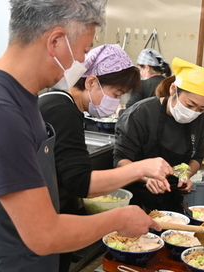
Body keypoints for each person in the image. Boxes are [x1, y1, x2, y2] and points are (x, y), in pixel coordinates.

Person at [0, 1, 167, 271]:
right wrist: (119, 219)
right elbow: (44, 234)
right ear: (55, 41)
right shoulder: (0, 110)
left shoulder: (23, 96)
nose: (81, 62)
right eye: (83, 51)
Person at [39, 44, 173, 271]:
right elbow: (80, 183)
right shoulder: (62, 110)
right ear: (91, 82)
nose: (116, 102)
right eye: (116, 94)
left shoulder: (55, 100)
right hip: (47, 224)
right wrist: (140, 169)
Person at [114, 57, 204, 213]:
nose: (193, 112)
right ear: (173, 90)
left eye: (201, 108)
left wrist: (185, 175)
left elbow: (197, 156)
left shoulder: (199, 119)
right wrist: (145, 176)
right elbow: (120, 160)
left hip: (171, 200)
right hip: (135, 200)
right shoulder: (141, 114)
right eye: (189, 105)